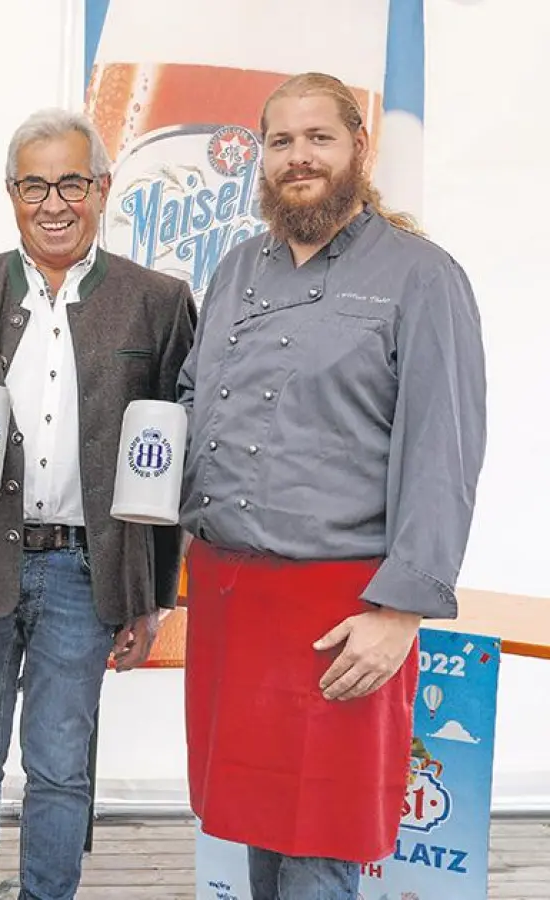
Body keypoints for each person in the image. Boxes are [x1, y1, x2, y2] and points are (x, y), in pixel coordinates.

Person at [178, 72, 486, 900]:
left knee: (319, 847)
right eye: (281, 141)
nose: (298, 157)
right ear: (262, 156)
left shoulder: (422, 276)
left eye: (319, 137)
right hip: (232, 597)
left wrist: (401, 612)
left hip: (338, 612)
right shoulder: (237, 267)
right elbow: (193, 402)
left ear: (360, 146)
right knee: (254, 829)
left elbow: (443, 452)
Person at [0, 108, 195, 900]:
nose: (53, 202)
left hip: (83, 574)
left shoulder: (158, 302)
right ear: (10, 192)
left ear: (101, 189)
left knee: (61, 773)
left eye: (71, 182)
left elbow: (168, 465)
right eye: (35, 184)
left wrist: (153, 596)